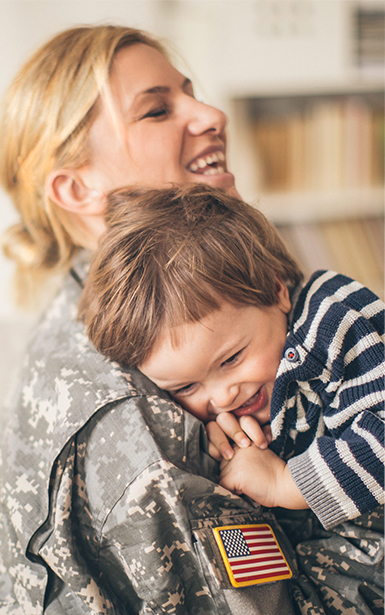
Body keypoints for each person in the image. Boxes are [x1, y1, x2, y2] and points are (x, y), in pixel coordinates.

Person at [0, 25, 297, 615]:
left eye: (190, 92)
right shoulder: (137, 418)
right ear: (77, 187)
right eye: (157, 111)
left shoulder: (90, 300)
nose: (211, 114)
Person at [79, 183, 385, 614]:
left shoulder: (334, 319)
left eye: (232, 358)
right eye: (186, 387)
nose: (222, 396)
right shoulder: (229, 404)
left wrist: (284, 483)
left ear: (276, 289)